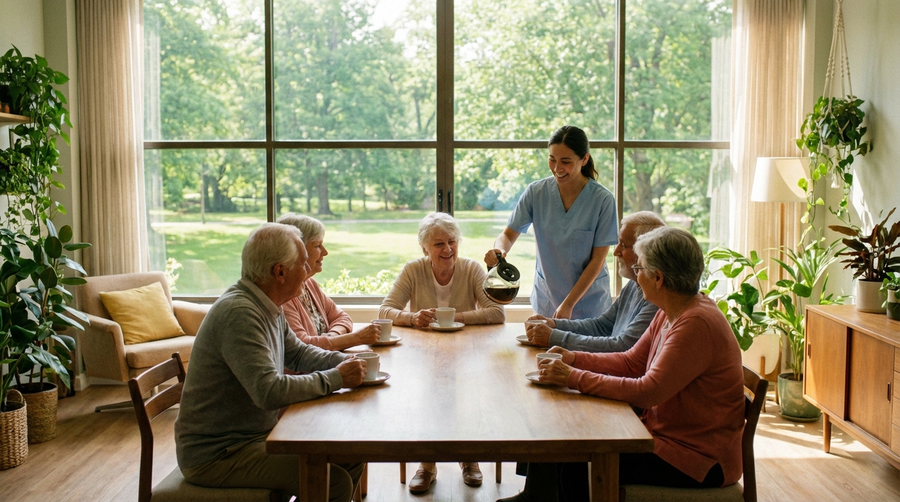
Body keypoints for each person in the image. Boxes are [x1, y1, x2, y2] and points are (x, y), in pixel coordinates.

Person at [500, 227, 745, 502]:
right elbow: (631, 362)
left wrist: (572, 376)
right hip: (667, 441)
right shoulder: (673, 310)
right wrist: (573, 358)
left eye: (639, 268)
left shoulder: (696, 323)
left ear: (658, 278)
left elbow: (647, 391)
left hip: (696, 459)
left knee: (576, 462)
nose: (635, 275)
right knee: (567, 443)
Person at [175, 223, 366, 502]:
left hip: (250, 438)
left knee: (350, 455)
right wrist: (337, 377)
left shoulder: (267, 303)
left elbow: (299, 353)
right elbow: (269, 392)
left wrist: (348, 360)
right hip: (219, 455)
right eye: (303, 264)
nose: (309, 271)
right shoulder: (240, 314)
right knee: (332, 482)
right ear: (279, 272)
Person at [379, 211, 505, 494]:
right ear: (424, 248)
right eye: (438, 244)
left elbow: (496, 312)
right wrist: (413, 318)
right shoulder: (414, 269)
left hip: (467, 351)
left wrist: (454, 318)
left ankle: (469, 458)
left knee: (470, 392)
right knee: (426, 393)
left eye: (452, 242)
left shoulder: (472, 269)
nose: (447, 249)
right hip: (424, 353)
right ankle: (426, 464)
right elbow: (385, 310)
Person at [485, 125, 618, 320]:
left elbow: (598, 261)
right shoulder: (536, 192)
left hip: (589, 303)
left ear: (585, 159)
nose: (557, 168)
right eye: (552, 159)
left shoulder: (602, 200)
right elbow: (507, 235)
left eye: (565, 161)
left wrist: (569, 304)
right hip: (547, 299)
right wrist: (499, 250)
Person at [524, 211, 665, 352]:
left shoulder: (656, 297)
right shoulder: (633, 285)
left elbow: (623, 347)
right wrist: (554, 325)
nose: (615, 252)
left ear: (645, 250)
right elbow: (602, 326)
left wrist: (553, 337)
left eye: (623, 244)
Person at [277, 213, 381, 350]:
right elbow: (301, 347)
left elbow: (342, 318)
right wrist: (357, 338)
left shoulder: (309, 284)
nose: (325, 252)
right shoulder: (284, 296)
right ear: (296, 250)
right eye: (317, 246)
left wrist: (333, 337)